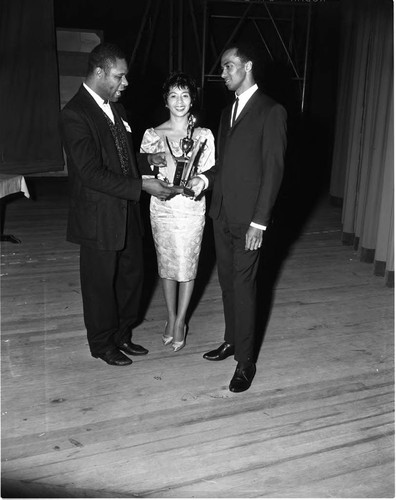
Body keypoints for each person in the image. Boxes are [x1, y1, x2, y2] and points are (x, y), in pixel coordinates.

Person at [60, 42, 173, 367]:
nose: (125, 83)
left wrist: (145, 159)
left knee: (131, 278)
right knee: (99, 286)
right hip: (98, 219)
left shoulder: (117, 109)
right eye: (119, 76)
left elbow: (120, 160)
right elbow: (92, 173)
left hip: (126, 214)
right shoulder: (74, 114)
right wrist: (143, 186)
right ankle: (101, 343)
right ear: (99, 72)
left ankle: (122, 334)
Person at [188, 42, 287, 392]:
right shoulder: (227, 110)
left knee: (244, 287)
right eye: (223, 67)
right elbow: (226, 166)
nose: (223, 72)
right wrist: (204, 179)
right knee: (227, 282)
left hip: (249, 222)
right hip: (222, 215)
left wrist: (260, 223)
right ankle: (231, 340)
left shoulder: (271, 111)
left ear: (247, 66)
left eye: (229, 66)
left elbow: (273, 172)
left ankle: (246, 362)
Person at [140, 72, 215, 352]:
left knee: (187, 264)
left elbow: (209, 172)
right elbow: (144, 175)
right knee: (167, 265)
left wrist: (199, 183)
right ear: (166, 100)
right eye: (173, 95)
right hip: (162, 209)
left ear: (192, 99)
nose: (179, 101)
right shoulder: (153, 135)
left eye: (185, 95)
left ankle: (182, 320)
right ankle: (170, 317)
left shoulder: (203, 135)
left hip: (191, 209)